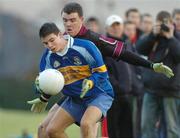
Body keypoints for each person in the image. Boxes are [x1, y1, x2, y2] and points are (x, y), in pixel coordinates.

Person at [28, 2, 174, 138]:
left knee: (88, 126)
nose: (68, 24)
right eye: (65, 20)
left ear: (81, 19)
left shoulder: (92, 40)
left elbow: (124, 54)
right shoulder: (58, 42)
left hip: (96, 89)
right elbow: (51, 75)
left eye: (72, 20)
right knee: (43, 130)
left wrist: (150, 65)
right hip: (74, 92)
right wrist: (43, 94)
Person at [28, 22, 114, 138]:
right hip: (75, 99)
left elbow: (102, 72)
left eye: (52, 40)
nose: (50, 45)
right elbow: (47, 82)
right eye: (45, 43)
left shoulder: (85, 47)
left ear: (60, 35)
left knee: (86, 124)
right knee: (52, 131)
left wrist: (91, 82)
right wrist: (40, 90)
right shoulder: (48, 57)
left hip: (99, 94)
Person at [136, 11, 180, 138]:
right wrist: (152, 35)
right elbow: (138, 49)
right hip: (151, 90)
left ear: (172, 23)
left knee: (172, 129)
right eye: (161, 24)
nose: (164, 26)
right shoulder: (153, 38)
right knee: (147, 126)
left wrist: (171, 37)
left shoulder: (176, 38)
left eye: (167, 23)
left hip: (171, 91)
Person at [103, 14, 133, 138]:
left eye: (118, 25)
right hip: (113, 96)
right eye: (112, 26)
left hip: (128, 94)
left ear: (122, 27)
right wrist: (118, 86)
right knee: (114, 130)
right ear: (107, 28)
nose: (115, 28)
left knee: (127, 130)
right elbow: (105, 72)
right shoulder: (104, 46)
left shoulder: (127, 45)